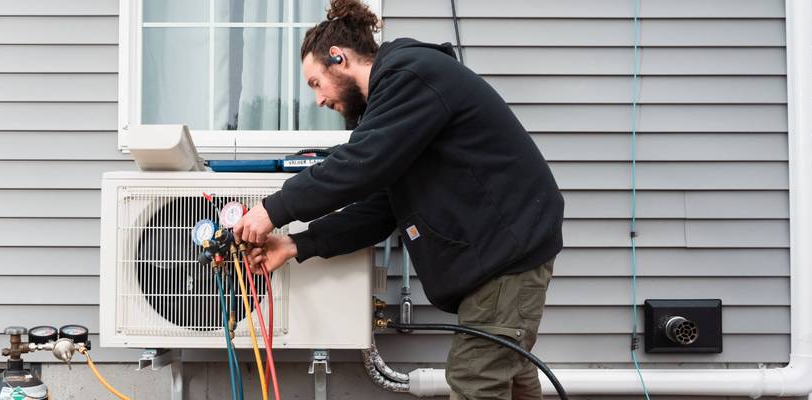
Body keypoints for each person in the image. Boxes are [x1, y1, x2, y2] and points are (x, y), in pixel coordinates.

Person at [232, 0, 564, 398]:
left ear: (338, 58)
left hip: (507, 258)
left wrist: (273, 208)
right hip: (502, 260)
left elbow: (360, 163)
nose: (318, 100)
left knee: (475, 379)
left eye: (316, 83)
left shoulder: (411, 76)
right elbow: (380, 207)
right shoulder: (399, 106)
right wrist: (295, 244)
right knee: (509, 381)